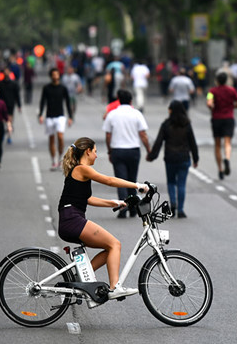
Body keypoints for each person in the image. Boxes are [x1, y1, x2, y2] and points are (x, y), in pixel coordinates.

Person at [58, 137, 148, 299]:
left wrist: (114, 203)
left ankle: (80, 279)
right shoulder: (82, 169)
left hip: (70, 219)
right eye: (95, 152)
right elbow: (109, 180)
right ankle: (115, 287)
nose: (97, 156)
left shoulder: (79, 172)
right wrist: (137, 185)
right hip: (72, 220)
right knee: (115, 244)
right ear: (87, 152)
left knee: (110, 249)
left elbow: (87, 199)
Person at [103, 90, 151, 218]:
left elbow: (108, 135)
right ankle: (133, 208)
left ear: (118, 99)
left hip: (117, 150)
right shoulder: (136, 114)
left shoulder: (112, 114)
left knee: (120, 181)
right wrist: (148, 149)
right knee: (132, 180)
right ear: (131, 101)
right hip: (133, 151)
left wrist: (109, 150)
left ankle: (123, 207)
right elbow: (143, 134)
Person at [146, 101, 198, 218]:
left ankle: (173, 203)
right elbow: (192, 142)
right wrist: (196, 158)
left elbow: (159, 142)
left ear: (171, 110)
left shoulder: (166, 124)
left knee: (171, 182)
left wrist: (152, 156)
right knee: (181, 184)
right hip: (184, 157)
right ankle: (180, 209)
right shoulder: (187, 124)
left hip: (170, 158)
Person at [207, 72, 237, 179]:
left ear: (217, 80)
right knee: (227, 142)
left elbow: (209, 103)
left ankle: (220, 170)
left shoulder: (211, 91)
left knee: (217, 145)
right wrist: (231, 106)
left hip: (216, 119)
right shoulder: (232, 90)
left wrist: (213, 107)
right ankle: (227, 158)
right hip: (229, 118)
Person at [39, 68, 73, 170]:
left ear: (59, 76)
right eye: (53, 75)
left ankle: (60, 157)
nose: (55, 76)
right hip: (49, 116)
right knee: (51, 139)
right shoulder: (46, 88)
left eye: (57, 74)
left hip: (60, 116)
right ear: (51, 76)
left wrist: (70, 116)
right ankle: (53, 160)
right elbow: (42, 101)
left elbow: (67, 102)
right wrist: (41, 114)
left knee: (60, 136)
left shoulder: (63, 88)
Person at [0, 67, 22, 144]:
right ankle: (2, 133)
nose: (6, 73)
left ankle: (9, 136)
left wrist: (19, 105)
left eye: (8, 71)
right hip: (1, 104)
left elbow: (17, 95)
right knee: (2, 121)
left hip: (11, 104)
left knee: (9, 121)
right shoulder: (0, 84)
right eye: (5, 71)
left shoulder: (14, 84)